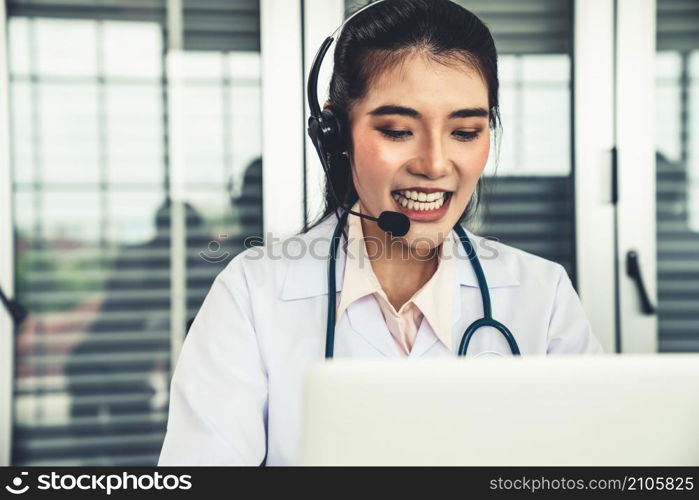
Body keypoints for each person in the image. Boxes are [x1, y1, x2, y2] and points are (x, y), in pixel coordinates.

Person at [158, 0, 603, 466]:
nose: (433, 164)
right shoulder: (253, 294)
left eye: (466, 131)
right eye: (397, 130)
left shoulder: (543, 295)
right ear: (336, 133)